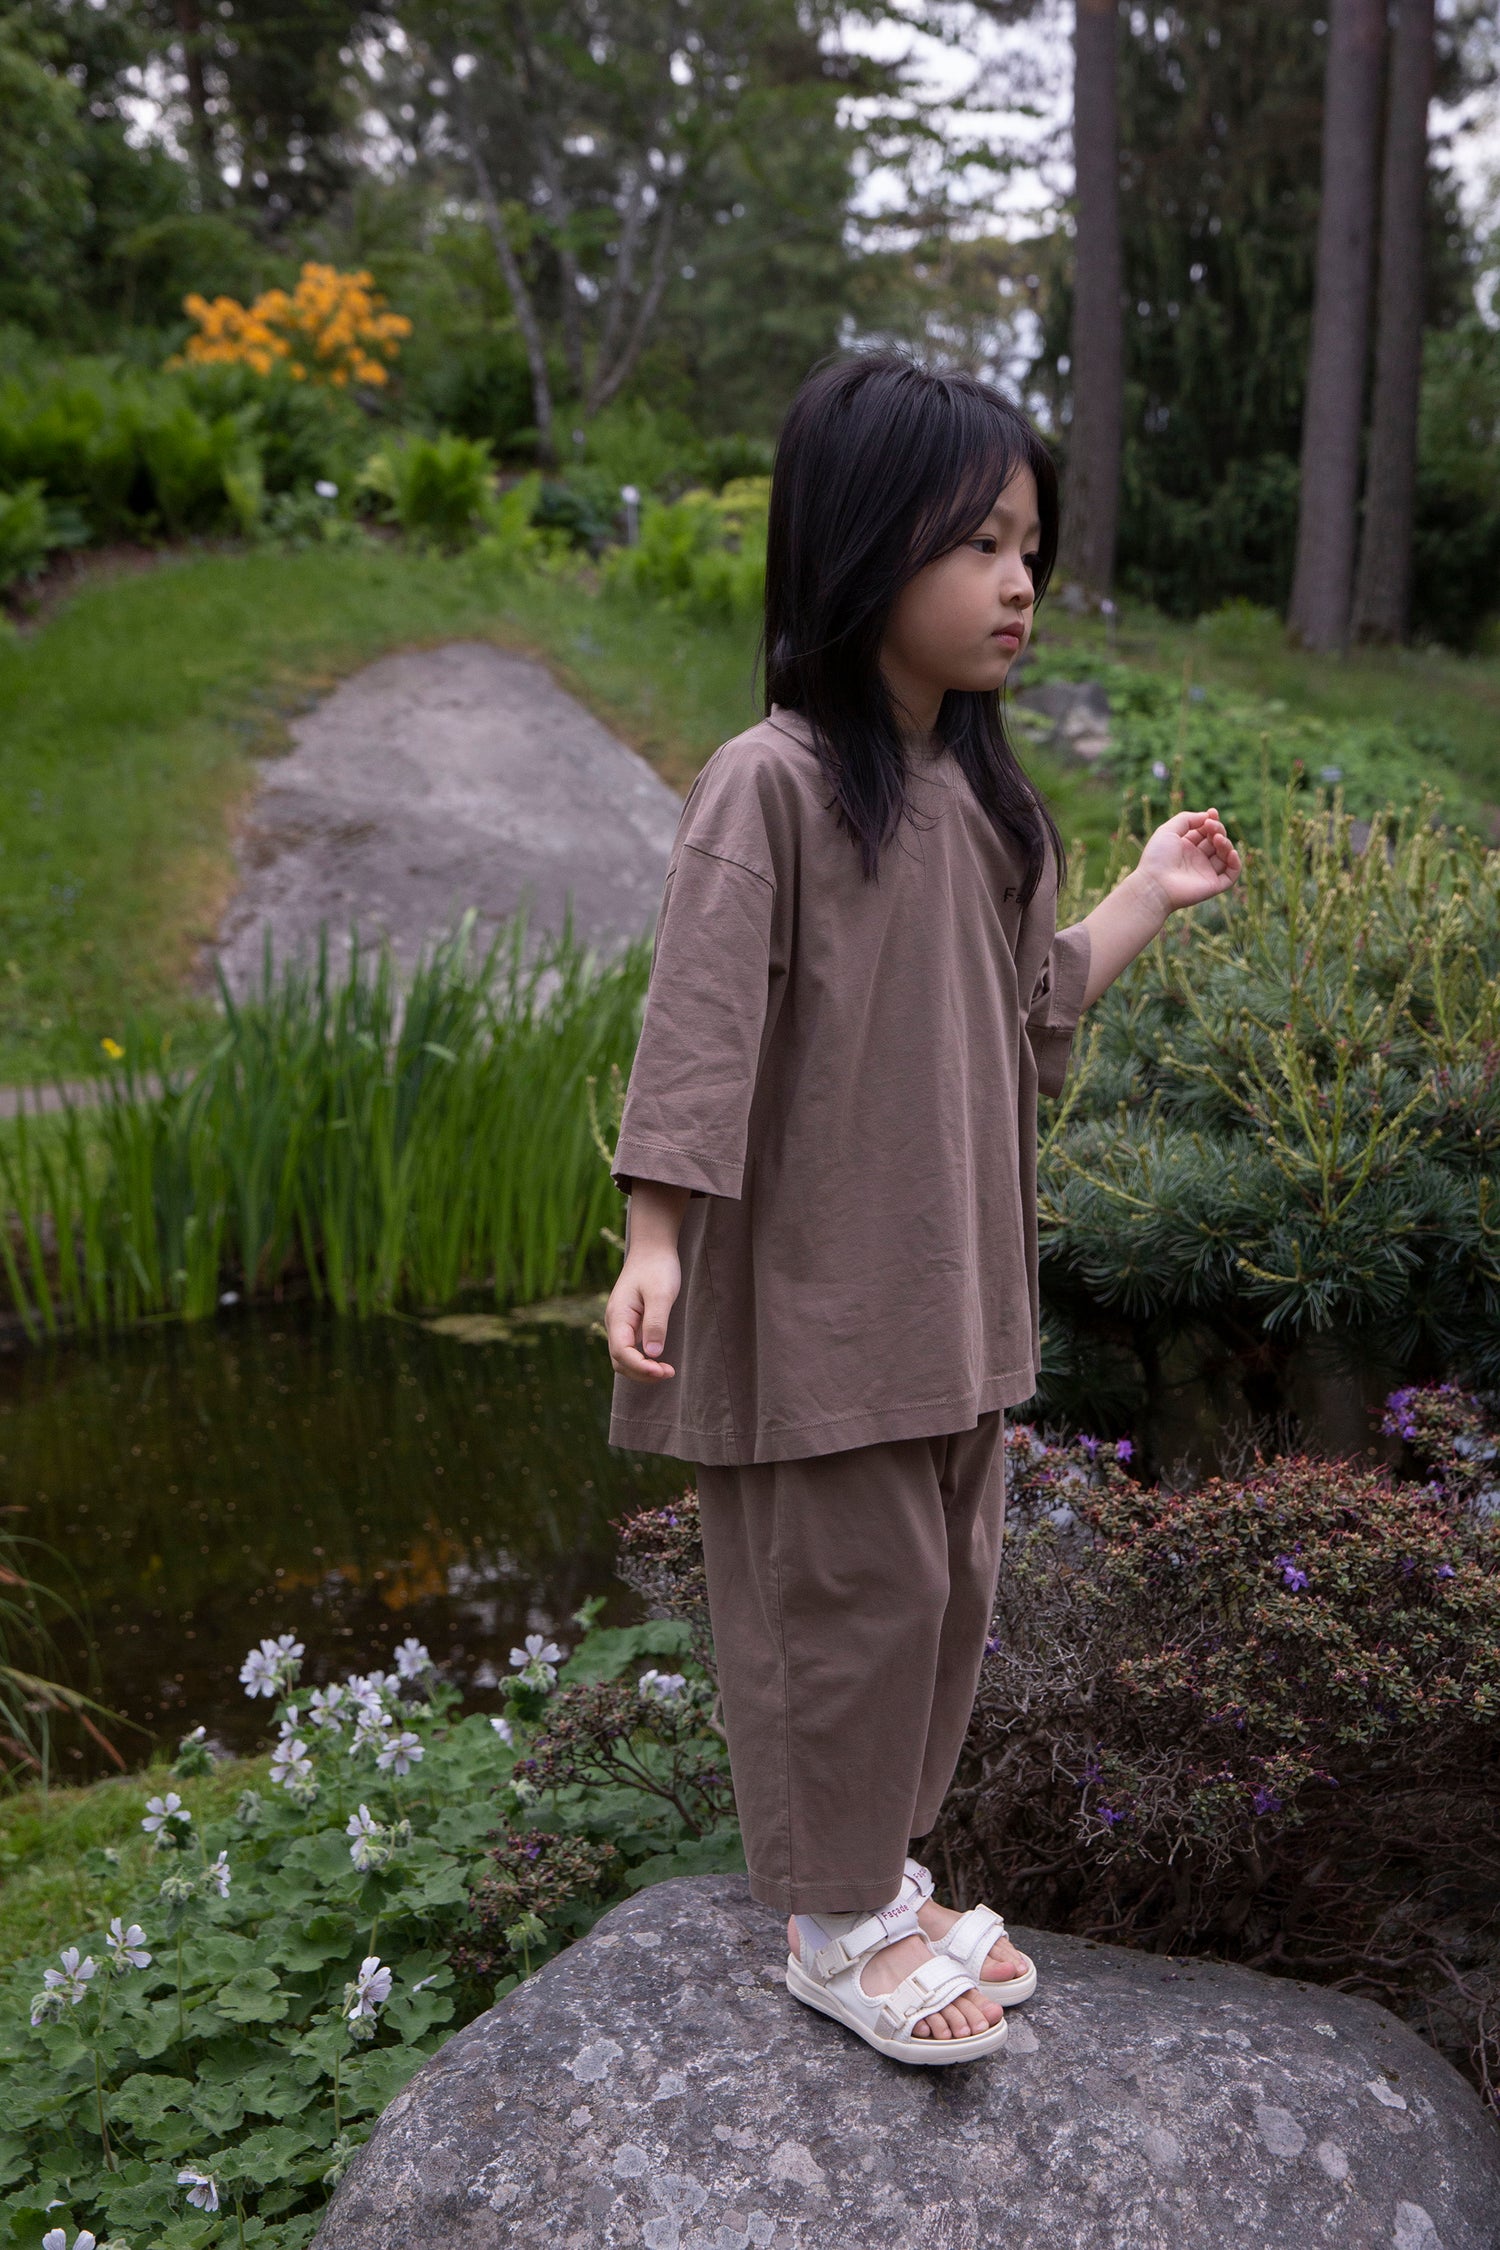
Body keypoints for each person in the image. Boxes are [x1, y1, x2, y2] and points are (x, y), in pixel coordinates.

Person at [605, 351, 1240, 2065]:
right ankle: (829, 1922)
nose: (1019, 579)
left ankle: (878, 1881)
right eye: (976, 542)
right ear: (862, 550)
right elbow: (697, 1033)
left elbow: (1037, 1005)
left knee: (944, 1593)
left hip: (957, 1304)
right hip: (818, 1305)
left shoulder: (988, 804)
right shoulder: (777, 785)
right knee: (847, 1599)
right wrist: (656, 1235)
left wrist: (1145, 896)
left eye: (1029, 541)